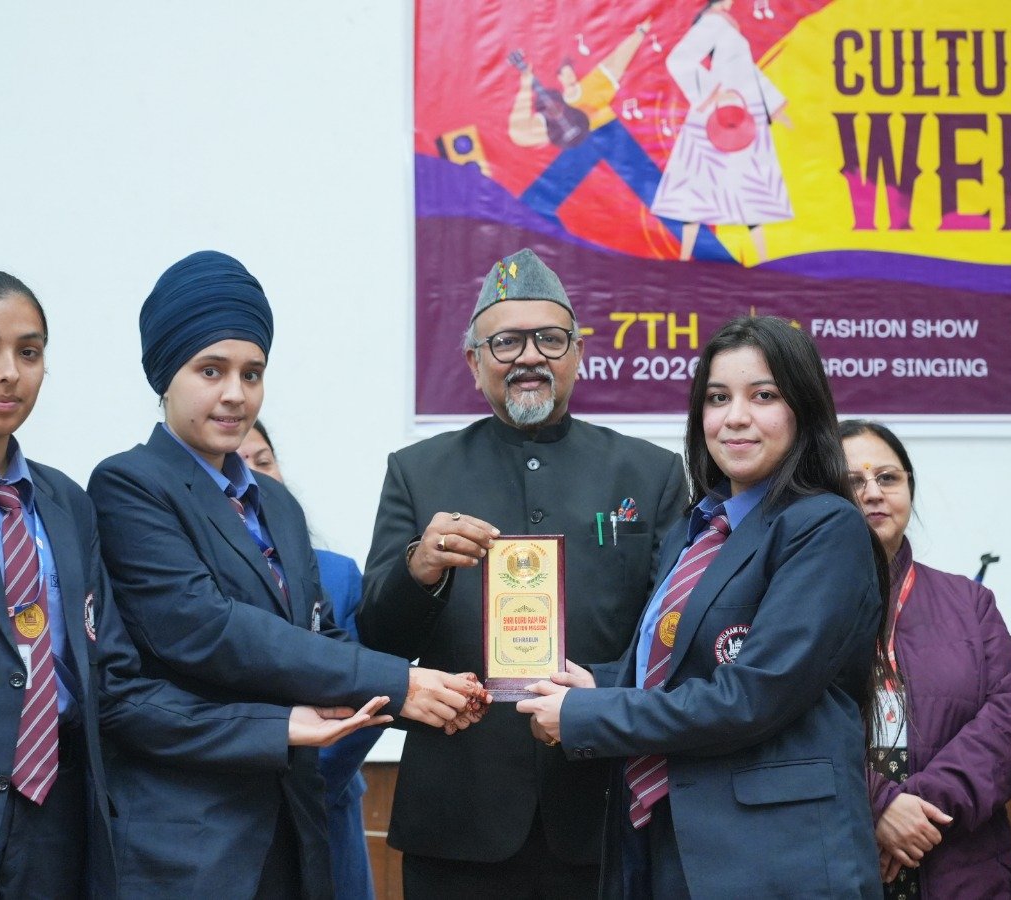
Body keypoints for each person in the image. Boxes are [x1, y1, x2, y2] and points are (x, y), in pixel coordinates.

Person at [0, 271, 371, 899]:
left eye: (29, 352)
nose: (8, 373)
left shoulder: (65, 503)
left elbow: (109, 688)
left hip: (60, 830)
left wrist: (277, 723)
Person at [88, 250, 485, 898]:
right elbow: (208, 630)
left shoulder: (275, 504)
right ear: (165, 375)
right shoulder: (130, 485)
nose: (235, 393)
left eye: (252, 373)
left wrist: (426, 697)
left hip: (294, 833)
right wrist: (397, 681)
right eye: (211, 370)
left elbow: (318, 637)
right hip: (189, 845)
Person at [517, 315, 887, 898]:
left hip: (778, 859)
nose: (735, 416)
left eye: (763, 396)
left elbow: (752, 695)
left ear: (804, 409)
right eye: (717, 398)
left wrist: (589, 715)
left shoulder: (826, 528)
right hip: (669, 839)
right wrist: (599, 683)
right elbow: (679, 665)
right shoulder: (698, 531)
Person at [359, 247, 687, 898]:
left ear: (578, 353)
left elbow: (673, 641)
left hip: (603, 805)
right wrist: (418, 569)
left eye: (550, 339)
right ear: (473, 362)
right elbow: (377, 638)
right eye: (506, 342)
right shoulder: (417, 473)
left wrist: (599, 693)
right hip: (458, 814)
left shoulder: (649, 474)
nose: (529, 356)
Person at [840, 419, 1011, 899]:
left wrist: (916, 810)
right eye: (851, 482)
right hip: (839, 858)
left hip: (961, 864)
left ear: (910, 488)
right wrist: (877, 804)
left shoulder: (969, 602)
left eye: (888, 478)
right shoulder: (789, 602)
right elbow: (787, 725)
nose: (873, 493)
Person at [240, 420, 380, 900]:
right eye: (233, 465)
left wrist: (307, 781)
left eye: (263, 461)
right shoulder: (186, 581)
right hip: (225, 808)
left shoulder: (337, 574)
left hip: (325, 802)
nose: (252, 476)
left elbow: (366, 690)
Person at [651, 0, 793, 263]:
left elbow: (747, 70)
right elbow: (679, 60)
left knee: (743, 185)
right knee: (704, 183)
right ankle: (686, 258)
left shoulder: (724, 22)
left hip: (741, 109)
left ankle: (761, 259)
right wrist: (713, 92)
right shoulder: (713, 22)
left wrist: (774, 107)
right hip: (720, 112)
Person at [511, 19, 659, 232]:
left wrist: (640, 32)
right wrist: (525, 86)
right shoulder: (555, 109)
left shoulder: (591, 85)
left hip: (609, 133)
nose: (570, 75)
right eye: (564, 72)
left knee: (657, 193)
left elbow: (618, 60)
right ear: (558, 78)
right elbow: (520, 133)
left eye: (571, 70)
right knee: (534, 202)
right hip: (581, 146)